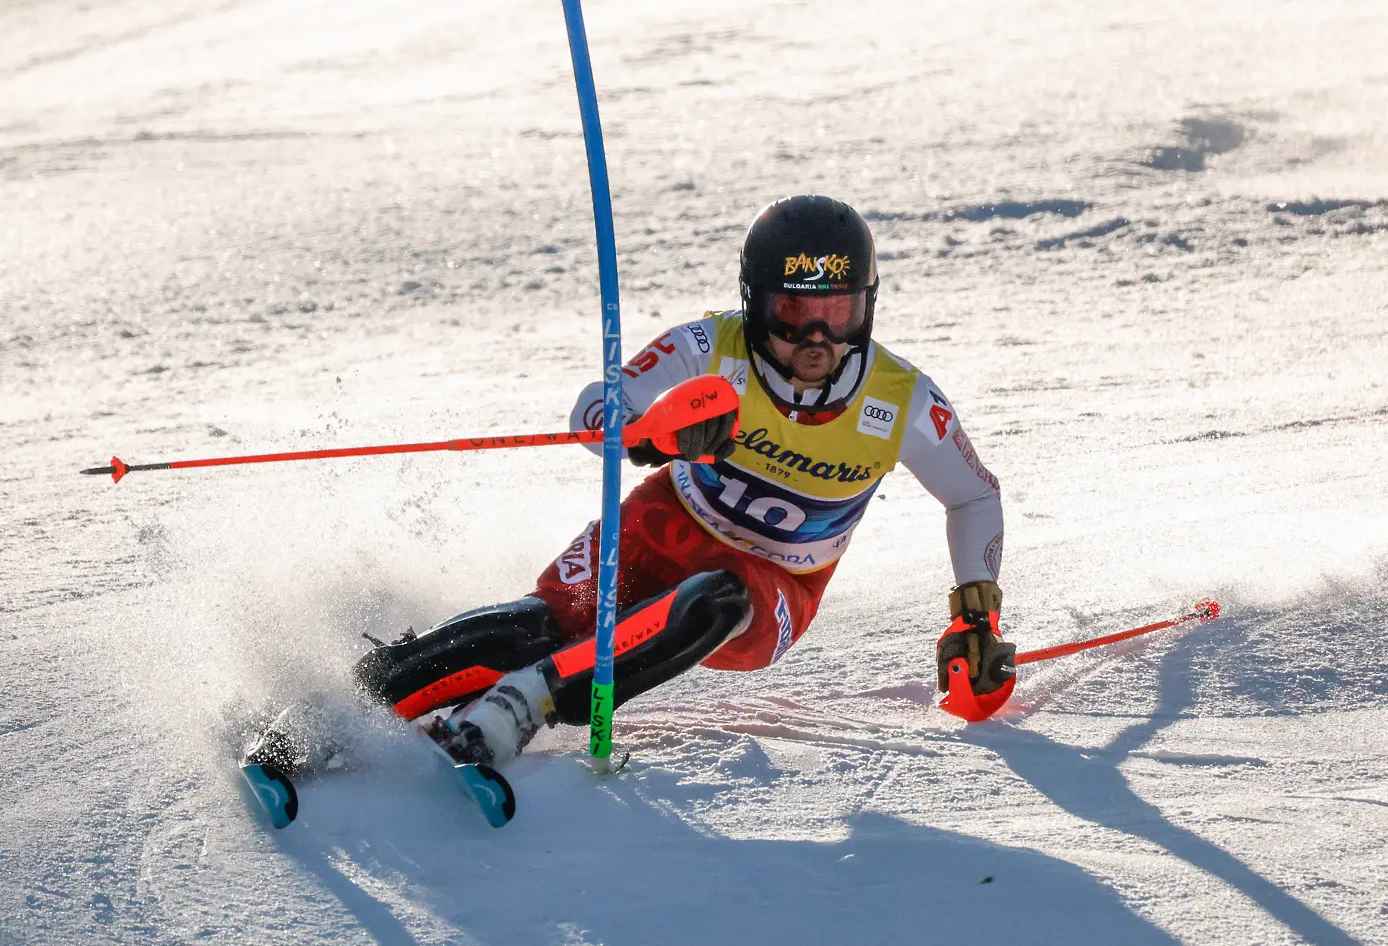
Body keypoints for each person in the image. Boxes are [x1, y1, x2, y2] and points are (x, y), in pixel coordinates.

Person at [350, 195, 1013, 769]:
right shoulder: (710, 346)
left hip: (776, 582)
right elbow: (593, 410)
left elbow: (974, 494)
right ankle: (341, 708)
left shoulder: (902, 401)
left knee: (719, 599)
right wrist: (649, 431)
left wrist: (976, 617)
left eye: (837, 314)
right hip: (661, 527)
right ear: (754, 304)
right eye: (792, 311)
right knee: (539, 624)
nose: (816, 338)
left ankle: (518, 708)